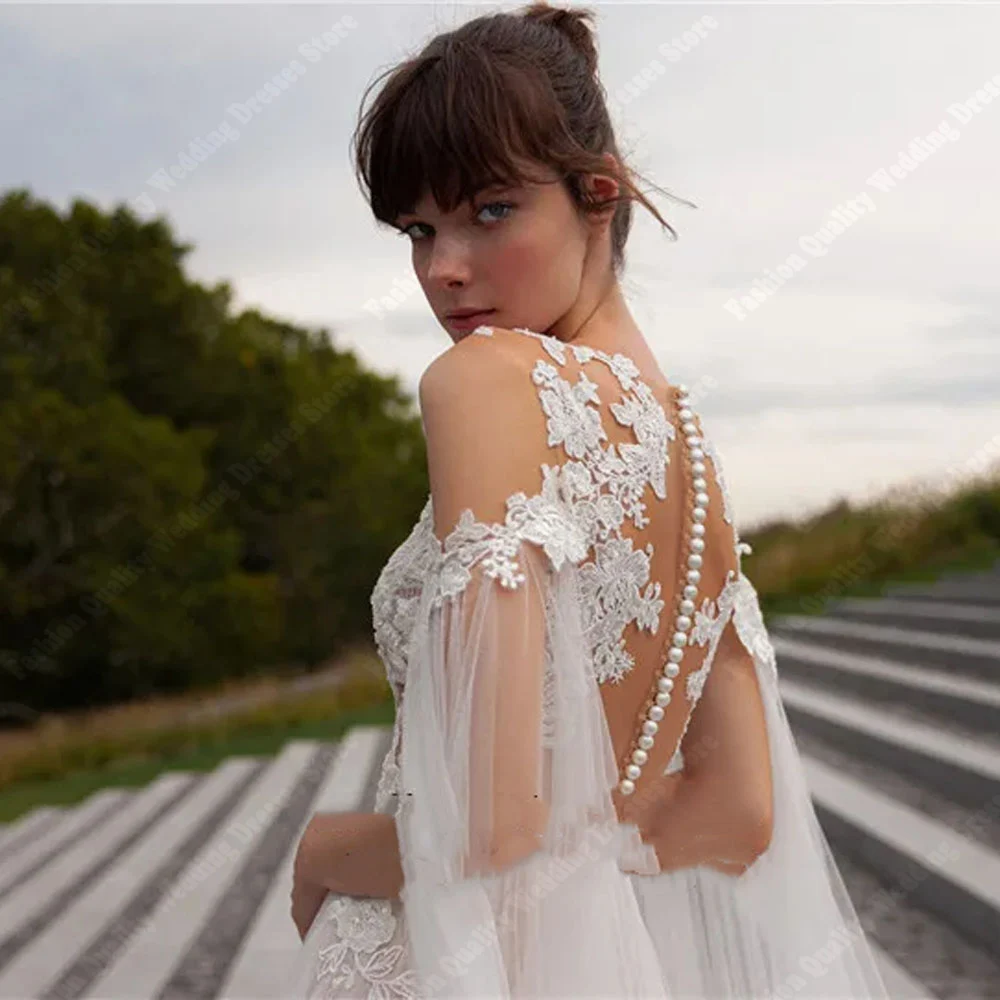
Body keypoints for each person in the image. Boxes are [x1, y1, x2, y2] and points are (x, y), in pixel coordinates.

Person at [288, 2, 892, 997]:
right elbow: (737, 814)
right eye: (417, 226)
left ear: (596, 195)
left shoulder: (484, 382)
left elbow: (496, 825)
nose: (443, 268)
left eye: (489, 210)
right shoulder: (690, 459)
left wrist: (328, 847)